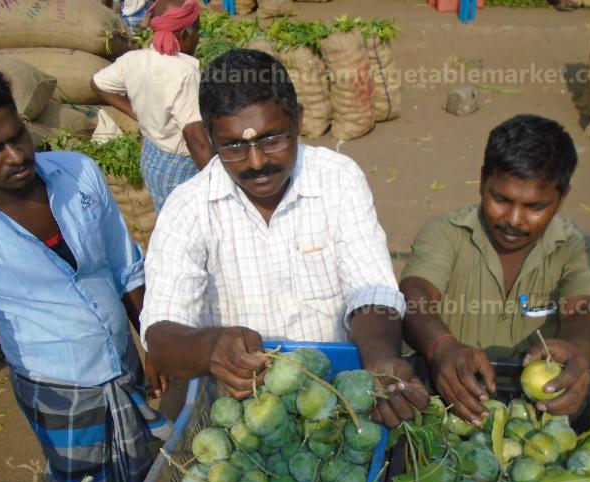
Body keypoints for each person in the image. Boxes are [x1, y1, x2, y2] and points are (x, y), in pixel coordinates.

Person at [141, 49, 429, 427]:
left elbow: (370, 290)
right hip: (244, 412)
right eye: (234, 146)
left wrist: (378, 359)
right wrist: (211, 347)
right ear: (211, 139)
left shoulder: (337, 180)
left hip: (337, 398)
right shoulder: (188, 208)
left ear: (299, 121)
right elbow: (161, 331)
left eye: (272, 138)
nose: (257, 161)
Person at [0, 57, 171, 482]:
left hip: (122, 360)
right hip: (57, 387)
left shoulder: (77, 173)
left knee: (149, 479)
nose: (16, 156)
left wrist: (151, 340)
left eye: (17, 135)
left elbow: (124, 266)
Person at [401, 115, 590, 425]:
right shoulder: (445, 232)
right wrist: (441, 346)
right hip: (449, 403)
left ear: (561, 198)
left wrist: (578, 349)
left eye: (535, 207)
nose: (513, 219)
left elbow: (588, 314)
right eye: (501, 199)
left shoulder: (580, 249)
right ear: (483, 180)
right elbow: (415, 295)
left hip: (535, 412)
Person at [91, 0, 214, 213]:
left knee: (169, 217)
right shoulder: (184, 73)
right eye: (197, 31)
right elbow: (196, 138)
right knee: (192, 222)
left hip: (152, 156)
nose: (198, 37)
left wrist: (137, 113)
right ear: (185, 36)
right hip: (181, 165)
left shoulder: (133, 60)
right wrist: (219, 182)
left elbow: (98, 84)